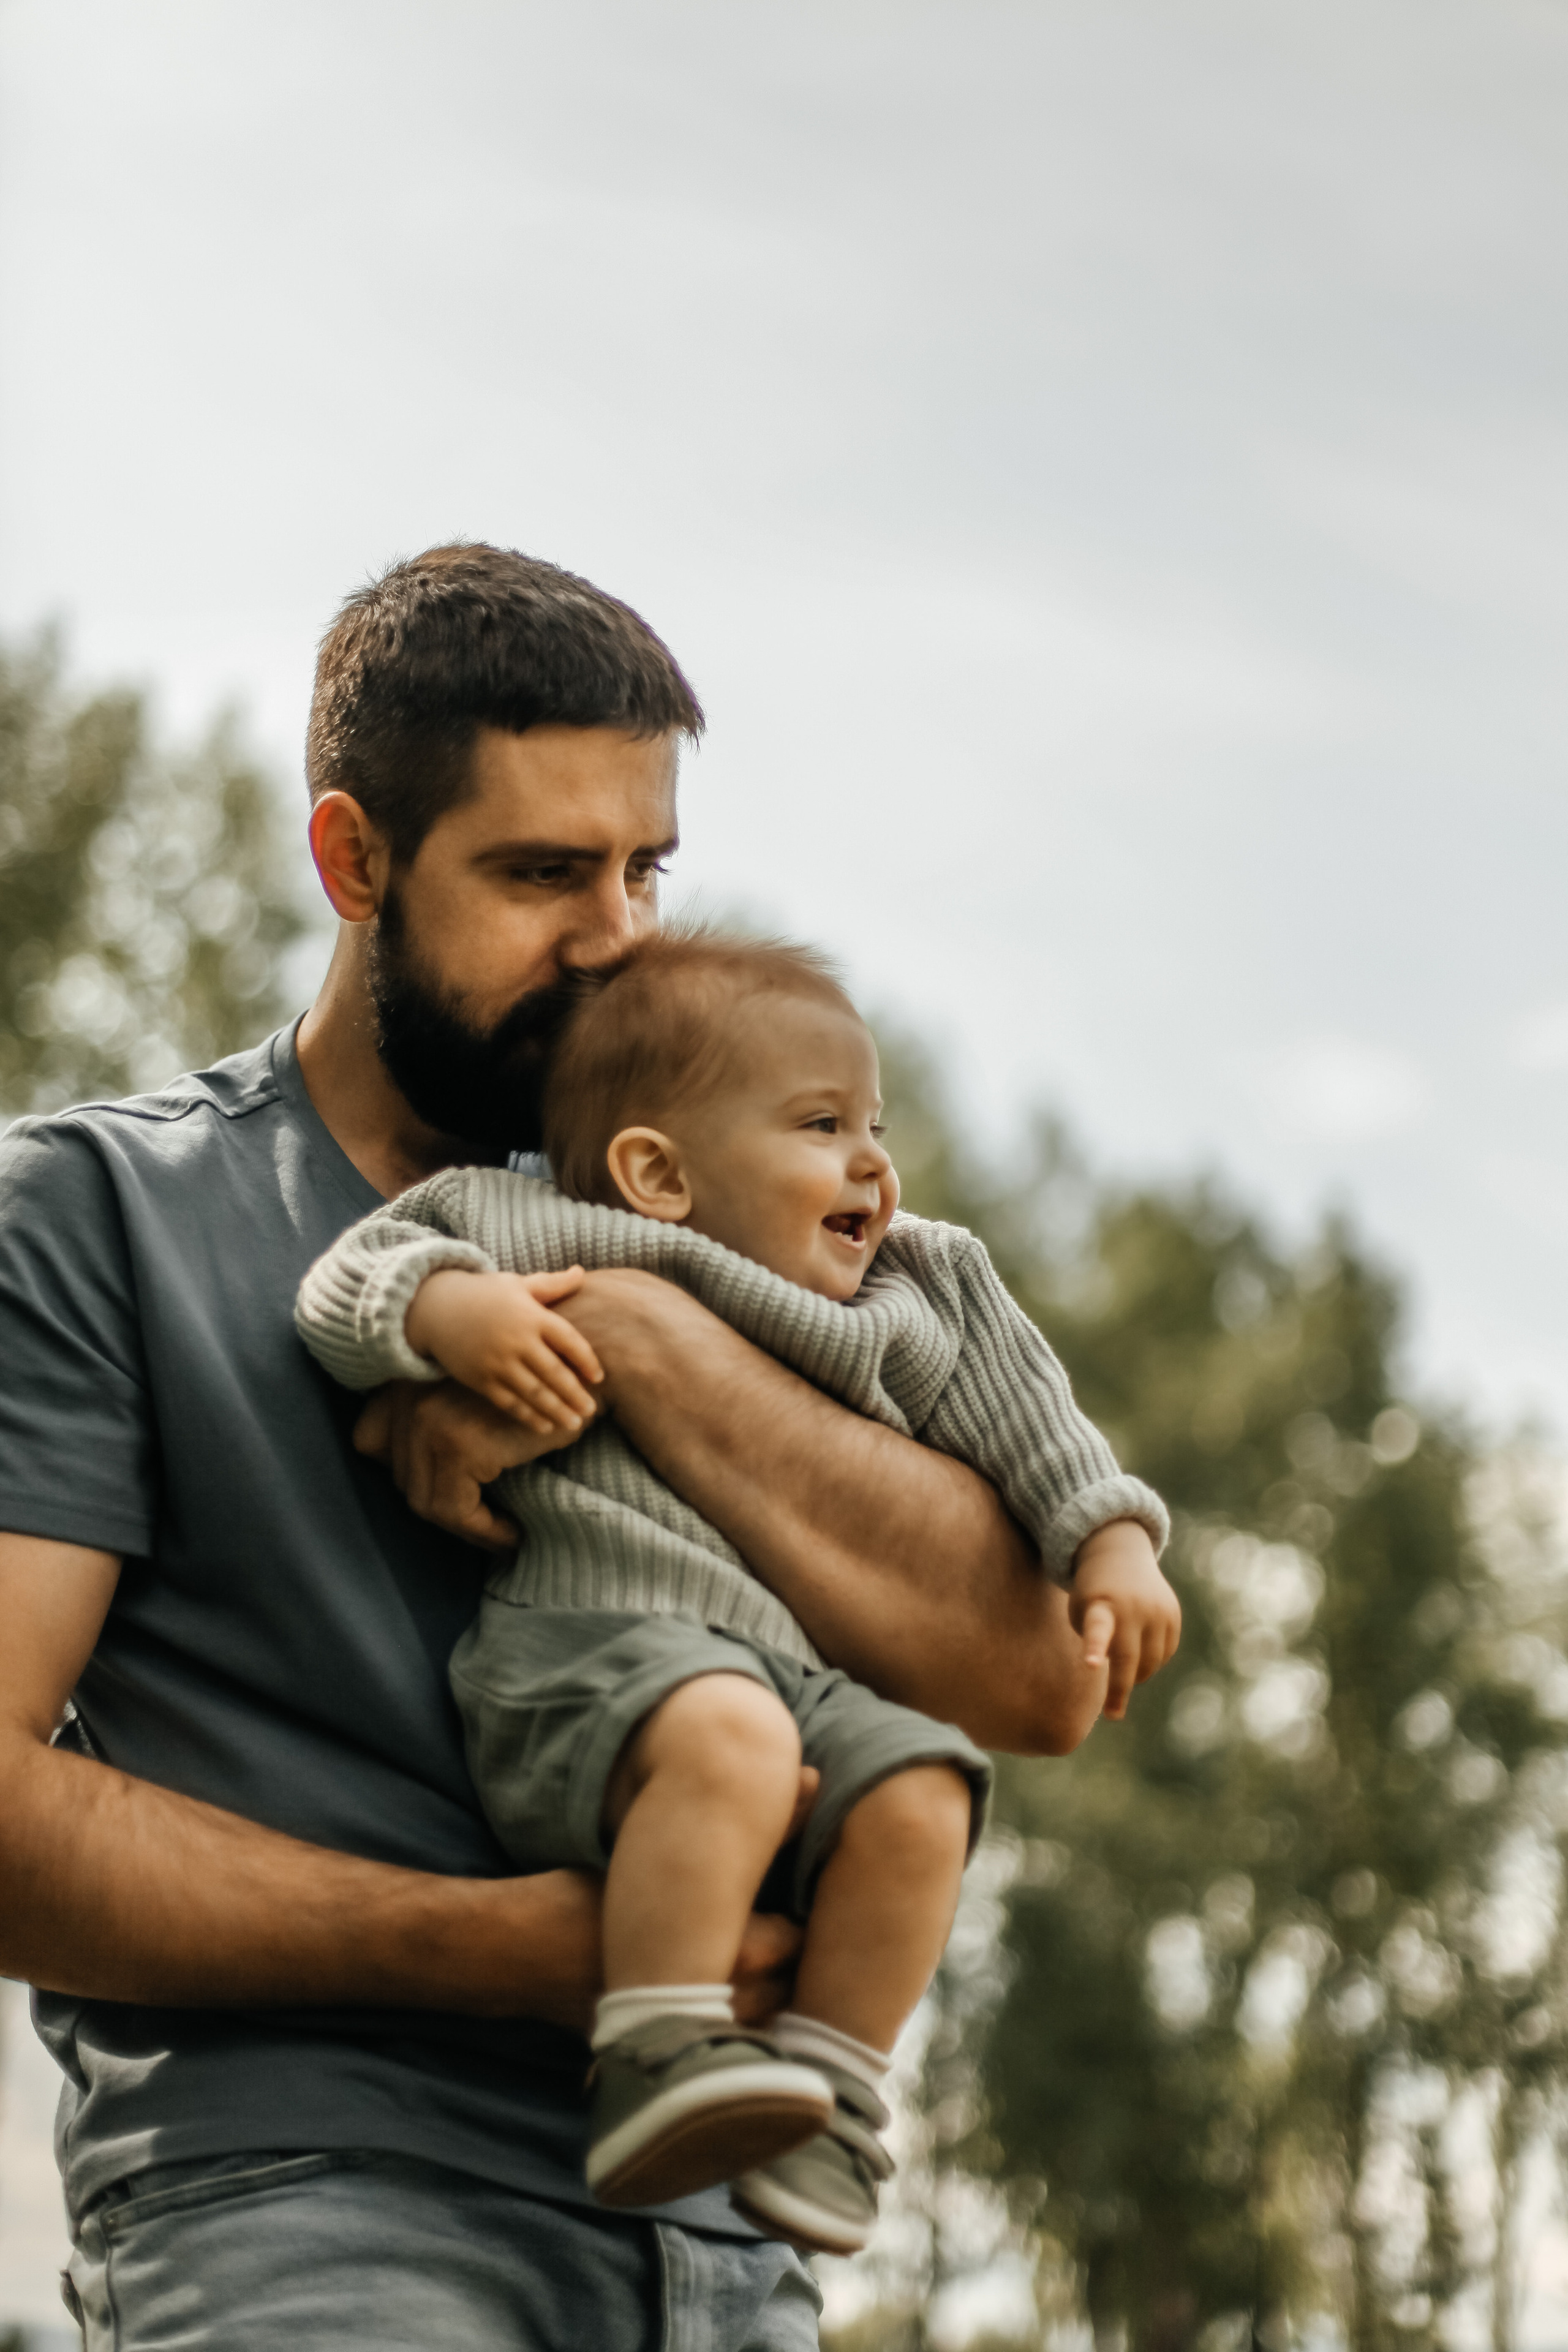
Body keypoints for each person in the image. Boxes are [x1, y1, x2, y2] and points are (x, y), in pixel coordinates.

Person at [0, 542, 1182, 2351]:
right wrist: (492, 1951)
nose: (616, 938)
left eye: (646, 868)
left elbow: (1035, 1680)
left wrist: (640, 1346)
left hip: (736, 2247)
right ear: (352, 860)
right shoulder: (96, 1218)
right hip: (310, 2208)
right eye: (543, 874)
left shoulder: (714, 1216)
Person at [294, 924, 1176, 2255]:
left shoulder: (919, 1287)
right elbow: (348, 1280)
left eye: (873, 1124)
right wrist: (442, 1318)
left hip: (796, 1683)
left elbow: (1039, 1434)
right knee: (730, 1737)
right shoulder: (534, 1224)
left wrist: (1111, 1544)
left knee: (926, 1788)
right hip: (584, 1650)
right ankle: (654, 2051)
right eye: (821, 1126)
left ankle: (827, 2096)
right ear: (654, 1172)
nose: (872, 1163)